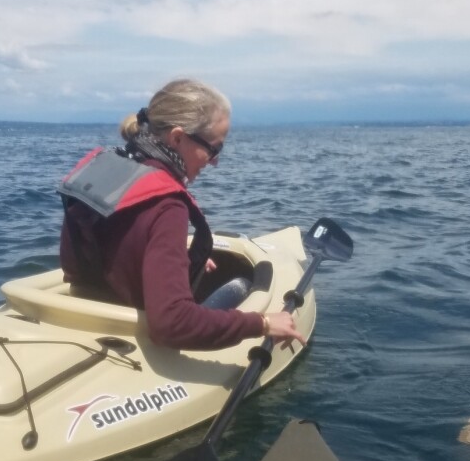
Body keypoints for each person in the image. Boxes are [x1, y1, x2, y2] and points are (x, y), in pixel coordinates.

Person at [58, 78, 306, 351]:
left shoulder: (107, 173)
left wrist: (178, 258)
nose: (215, 162)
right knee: (242, 283)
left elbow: (117, 247)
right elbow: (172, 323)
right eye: (214, 148)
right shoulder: (167, 207)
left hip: (85, 317)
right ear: (177, 137)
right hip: (132, 335)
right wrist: (263, 324)